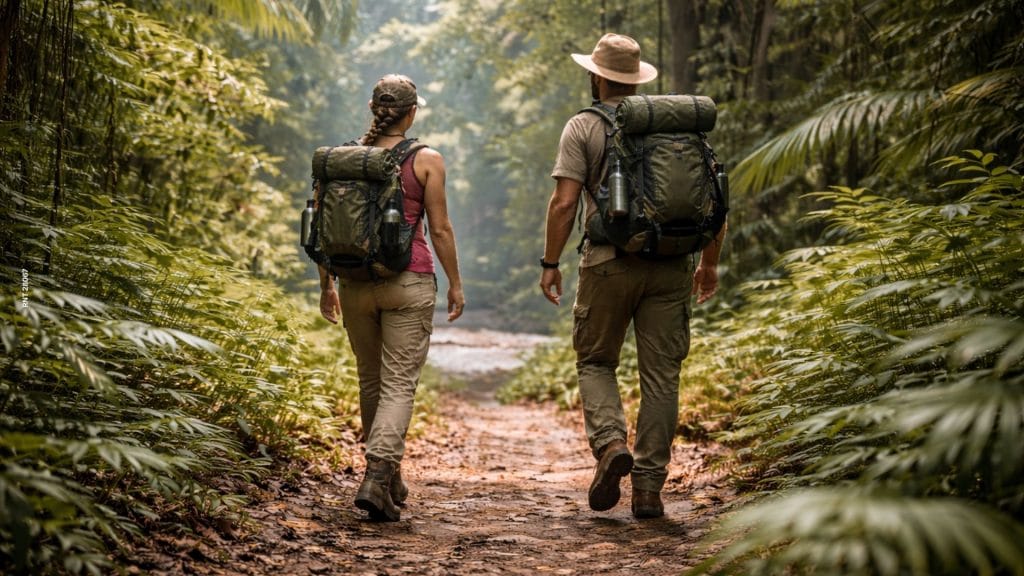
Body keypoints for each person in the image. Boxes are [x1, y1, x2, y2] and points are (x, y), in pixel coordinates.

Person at [538, 34, 726, 519]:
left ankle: (610, 444)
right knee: (662, 377)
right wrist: (709, 263)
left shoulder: (584, 126)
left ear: (596, 76)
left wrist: (550, 263)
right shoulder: (678, 131)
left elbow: (564, 203)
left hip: (608, 261)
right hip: (671, 265)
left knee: (596, 361)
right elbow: (714, 201)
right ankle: (648, 490)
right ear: (637, 79)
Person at [317, 74, 465, 522]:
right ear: (412, 112)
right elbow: (440, 228)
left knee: (371, 382)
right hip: (409, 280)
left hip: (354, 283)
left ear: (372, 109)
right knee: (399, 384)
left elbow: (323, 228)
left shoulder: (343, 160)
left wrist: (326, 285)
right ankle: (378, 476)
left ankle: (389, 475)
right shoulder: (426, 159)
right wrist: (455, 283)